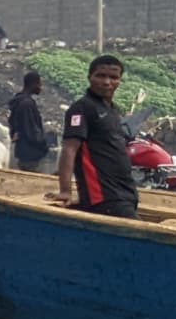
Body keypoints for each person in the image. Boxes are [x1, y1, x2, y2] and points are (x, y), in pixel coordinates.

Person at [57, 53, 137, 218]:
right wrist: (65, 191)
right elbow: (69, 149)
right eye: (101, 76)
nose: (107, 82)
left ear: (120, 80)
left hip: (125, 193)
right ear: (89, 77)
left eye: (113, 77)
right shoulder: (82, 108)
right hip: (103, 197)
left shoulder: (112, 110)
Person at [9, 71, 52, 173]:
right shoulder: (26, 104)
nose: (41, 88)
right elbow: (31, 130)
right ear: (33, 84)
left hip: (23, 150)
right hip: (30, 153)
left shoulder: (19, 101)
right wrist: (43, 145)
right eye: (40, 84)